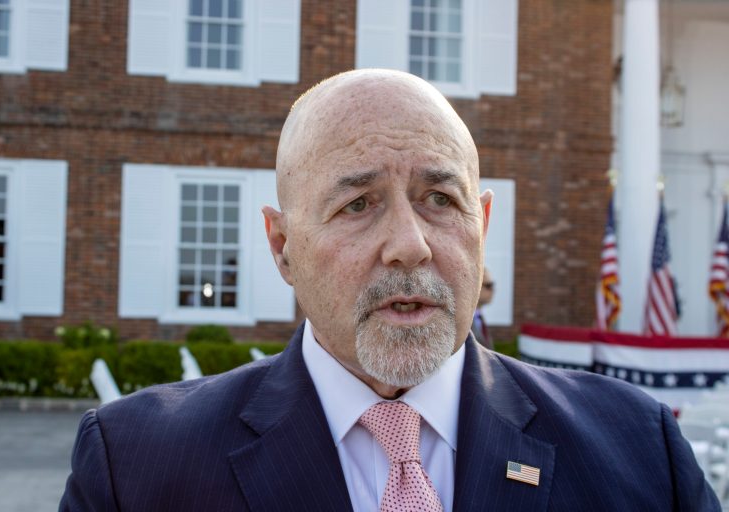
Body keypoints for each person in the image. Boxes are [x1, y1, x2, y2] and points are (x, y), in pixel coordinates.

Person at [60, 69, 719, 511]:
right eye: (358, 204)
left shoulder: (638, 449)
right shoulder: (135, 469)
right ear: (282, 245)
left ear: (481, 225)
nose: (411, 243)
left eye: (439, 198)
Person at [471, 268, 494, 349]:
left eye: (492, 285)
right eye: (488, 285)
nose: (492, 290)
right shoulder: (464, 320)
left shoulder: (480, 317)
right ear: (475, 287)